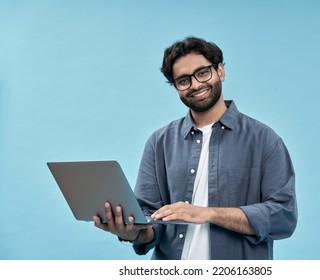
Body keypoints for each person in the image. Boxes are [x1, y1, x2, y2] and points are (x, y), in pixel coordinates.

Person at [93, 36, 297, 260]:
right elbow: (151, 221)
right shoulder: (159, 142)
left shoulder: (264, 139)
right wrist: (132, 232)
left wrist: (207, 213)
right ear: (175, 87)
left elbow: (284, 216)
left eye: (202, 73)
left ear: (220, 71)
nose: (196, 85)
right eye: (183, 80)